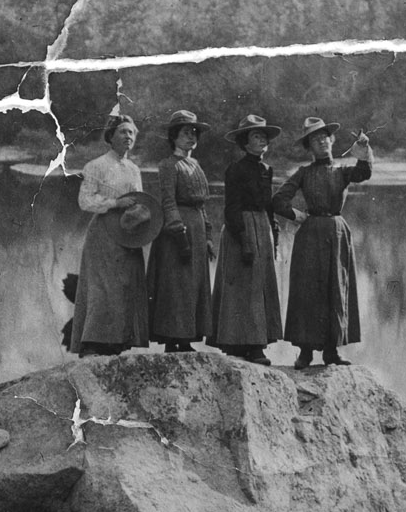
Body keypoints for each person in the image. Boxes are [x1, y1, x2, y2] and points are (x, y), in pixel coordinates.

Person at [274, 116, 373, 367]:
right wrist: (296, 216)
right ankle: (305, 352)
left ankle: (332, 351)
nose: (321, 142)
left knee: (336, 288)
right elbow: (278, 200)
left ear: (332, 140)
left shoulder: (342, 171)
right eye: (315, 139)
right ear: (309, 146)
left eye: (324, 137)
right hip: (310, 235)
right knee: (307, 290)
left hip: (337, 234)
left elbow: (364, 173)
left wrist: (364, 151)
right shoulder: (303, 173)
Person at [69, 110, 151, 355]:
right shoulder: (96, 165)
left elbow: (139, 200)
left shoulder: (134, 169)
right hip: (104, 233)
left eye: (132, 133)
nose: (128, 137)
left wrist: (141, 215)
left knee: (125, 285)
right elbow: (85, 201)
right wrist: (115, 203)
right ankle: (92, 343)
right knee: (102, 286)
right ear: (110, 136)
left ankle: (117, 342)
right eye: (123, 132)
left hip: (129, 233)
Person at [211, 113, 283, 362]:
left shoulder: (267, 169)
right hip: (241, 228)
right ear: (245, 142)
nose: (262, 140)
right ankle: (245, 344)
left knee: (260, 284)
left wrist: (273, 232)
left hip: (261, 226)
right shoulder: (236, 169)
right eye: (256, 136)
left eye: (264, 136)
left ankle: (257, 341)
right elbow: (231, 207)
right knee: (244, 286)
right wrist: (243, 238)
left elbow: (269, 204)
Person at [146, 109, 212, 352]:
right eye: (185, 133)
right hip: (177, 232)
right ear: (174, 137)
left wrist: (208, 237)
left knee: (193, 283)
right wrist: (179, 233)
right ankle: (172, 339)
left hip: (197, 227)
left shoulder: (195, 165)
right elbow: (168, 201)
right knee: (176, 284)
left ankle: (186, 338)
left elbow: (202, 205)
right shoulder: (168, 165)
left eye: (194, 133)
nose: (191, 137)